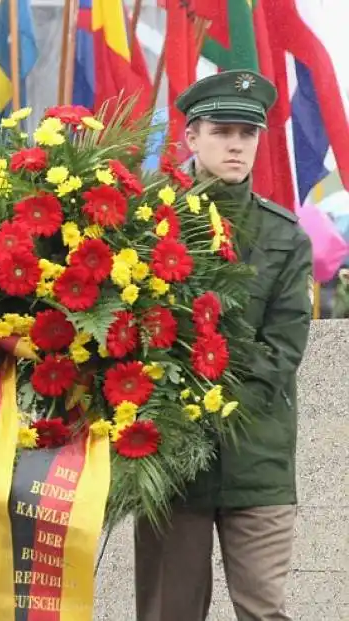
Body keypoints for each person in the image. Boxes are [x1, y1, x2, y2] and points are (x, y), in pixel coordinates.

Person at [133, 69, 313, 621]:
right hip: (170, 461)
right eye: (222, 131)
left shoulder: (285, 236)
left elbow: (282, 352)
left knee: (264, 608)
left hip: (256, 460)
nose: (236, 145)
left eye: (247, 134)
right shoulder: (146, 223)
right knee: (169, 612)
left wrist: (200, 359)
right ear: (192, 137)